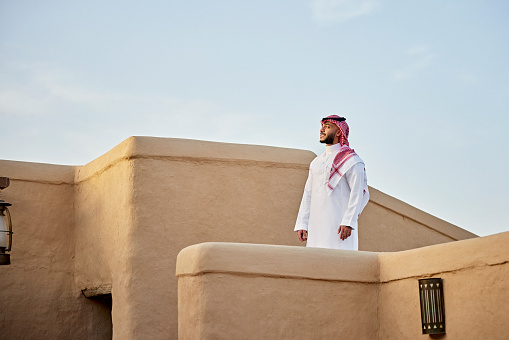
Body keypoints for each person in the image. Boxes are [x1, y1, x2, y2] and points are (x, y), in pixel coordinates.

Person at [294, 115, 369, 250]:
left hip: (340, 228)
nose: (322, 130)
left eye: (328, 127)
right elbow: (308, 194)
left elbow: (358, 194)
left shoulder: (352, 161)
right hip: (316, 228)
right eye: (322, 126)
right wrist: (302, 223)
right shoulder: (316, 162)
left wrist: (348, 221)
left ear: (339, 131)